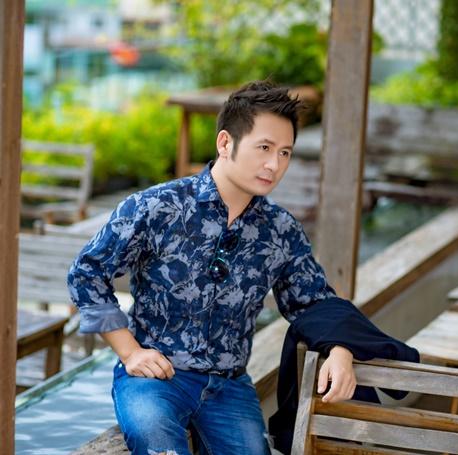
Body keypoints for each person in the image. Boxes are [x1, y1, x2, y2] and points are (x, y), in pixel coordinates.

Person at [67, 80, 358, 455]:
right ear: (225, 143)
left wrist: (340, 349)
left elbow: (314, 301)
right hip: (156, 378)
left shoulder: (280, 230)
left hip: (229, 386)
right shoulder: (157, 207)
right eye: (264, 147)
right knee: (155, 439)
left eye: (285, 152)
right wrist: (130, 352)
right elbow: (87, 272)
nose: (274, 164)